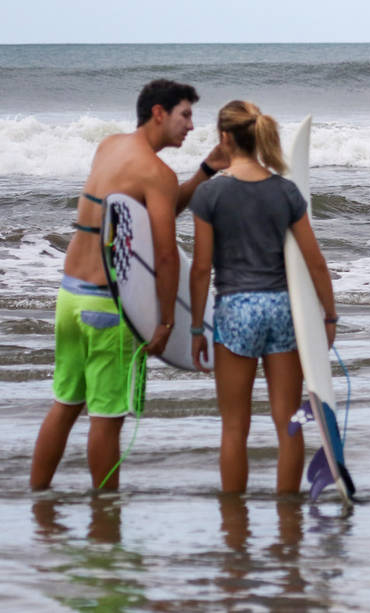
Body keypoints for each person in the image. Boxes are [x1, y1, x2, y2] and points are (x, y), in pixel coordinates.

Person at [30, 79, 229, 491]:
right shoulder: (157, 172)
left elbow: (147, 211)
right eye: (185, 115)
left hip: (69, 296)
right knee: (107, 418)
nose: (191, 126)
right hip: (108, 307)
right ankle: (105, 521)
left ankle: (38, 500)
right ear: (159, 112)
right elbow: (165, 252)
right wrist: (167, 322)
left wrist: (206, 171)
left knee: (65, 405)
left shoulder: (110, 147)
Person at [189, 100, 337, 495]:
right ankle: (289, 522)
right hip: (282, 310)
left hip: (236, 309)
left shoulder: (210, 195)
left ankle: (234, 524)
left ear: (223, 138)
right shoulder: (285, 191)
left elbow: (202, 267)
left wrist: (195, 328)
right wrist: (329, 316)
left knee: (234, 427)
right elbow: (315, 261)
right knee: (287, 422)